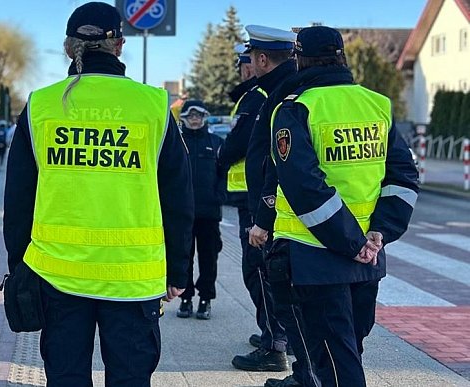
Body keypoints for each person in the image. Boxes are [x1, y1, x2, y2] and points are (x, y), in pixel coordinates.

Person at [2, 3, 194, 385]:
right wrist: (178, 269)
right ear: (120, 45)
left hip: (57, 276)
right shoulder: (154, 105)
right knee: (130, 379)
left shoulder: (41, 105)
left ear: (68, 47)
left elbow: (19, 196)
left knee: (66, 377)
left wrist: (19, 263)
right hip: (133, 279)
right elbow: (177, 195)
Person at [265, 26, 419, 387]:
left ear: (299, 60)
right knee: (350, 351)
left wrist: (352, 241)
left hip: (315, 255)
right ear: (342, 57)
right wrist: (379, 232)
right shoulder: (377, 104)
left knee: (333, 363)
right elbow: (403, 176)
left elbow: (304, 186)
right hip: (367, 256)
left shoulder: (295, 109)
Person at [230, 25, 300, 377]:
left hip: (273, 214)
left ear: (260, 58)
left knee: (263, 274)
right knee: (263, 275)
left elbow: (275, 163)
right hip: (276, 211)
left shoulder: (279, 95)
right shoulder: (277, 90)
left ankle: (276, 347)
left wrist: (263, 218)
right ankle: (275, 339)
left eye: (251, 57)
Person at [175, 100, 226, 320]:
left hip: (209, 213)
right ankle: (185, 298)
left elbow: (224, 174)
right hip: (182, 213)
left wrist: (219, 197)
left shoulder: (216, 142)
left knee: (208, 258)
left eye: (198, 116)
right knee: (183, 257)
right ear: (183, 119)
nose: (194, 120)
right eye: (190, 116)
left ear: (204, 117)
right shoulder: (176, 142)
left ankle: (206, 299)